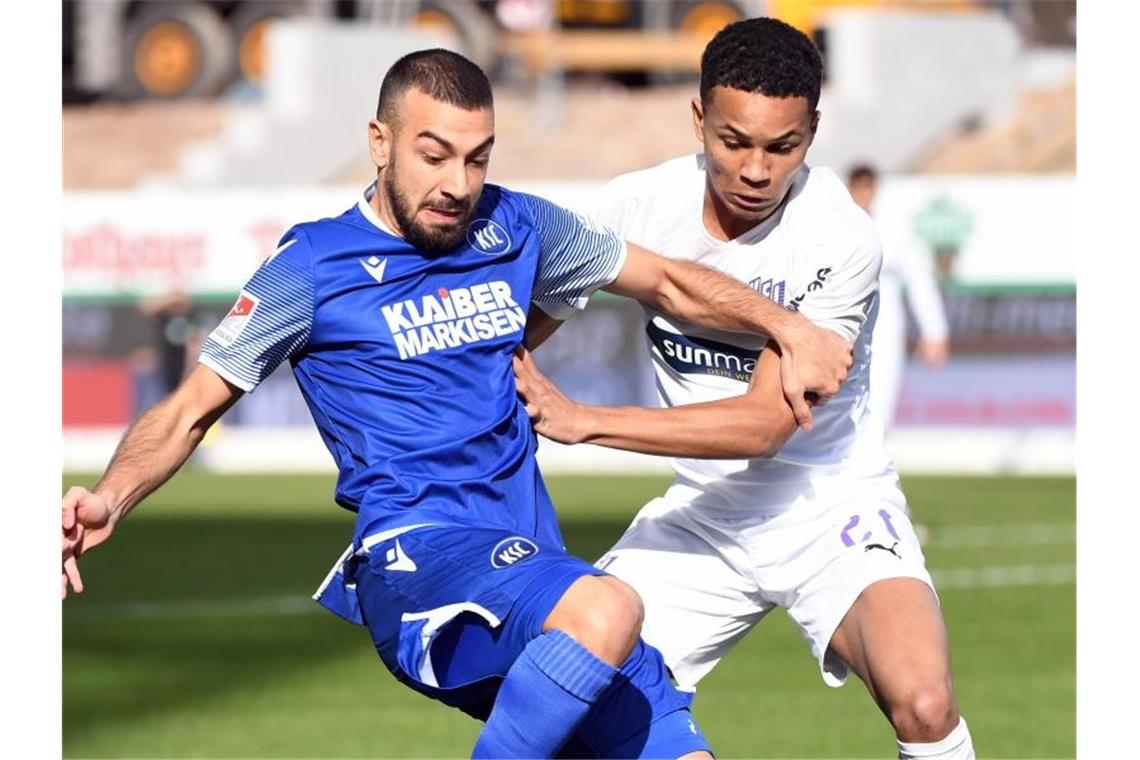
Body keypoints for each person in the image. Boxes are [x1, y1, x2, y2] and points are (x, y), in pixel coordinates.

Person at [61, 49, 852, 759]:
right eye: (434, 155)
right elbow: (192, 405)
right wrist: (110, 498)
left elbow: (671, 280)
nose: (457, 185)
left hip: (527, 575)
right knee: (611, 608)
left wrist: (790, 328)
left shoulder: (516, 224)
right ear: (380, 142)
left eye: (477, 159)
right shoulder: (311, 266)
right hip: (417, 558)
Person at [515, 19, 974, 760]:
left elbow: (765, 425)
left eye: (781, 147)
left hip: (830, 505)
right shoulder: (635, 207)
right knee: (567, 694)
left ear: (813, 132)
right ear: (698, 119)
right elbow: (517, 332)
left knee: (923, 701)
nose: (756, 170)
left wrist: (585, 421)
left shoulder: (841, 239)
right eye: (734, 142)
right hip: (704, 516)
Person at [847, 164, 950, 429]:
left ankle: (874, 458)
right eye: (857, 188)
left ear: (875, 190)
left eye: (867, 188)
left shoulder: (893, 230)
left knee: (881, 396)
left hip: (884, 323)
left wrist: (935, 331)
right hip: (843, 321)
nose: (863, 195)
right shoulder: (836, 227)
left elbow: (920, 281)